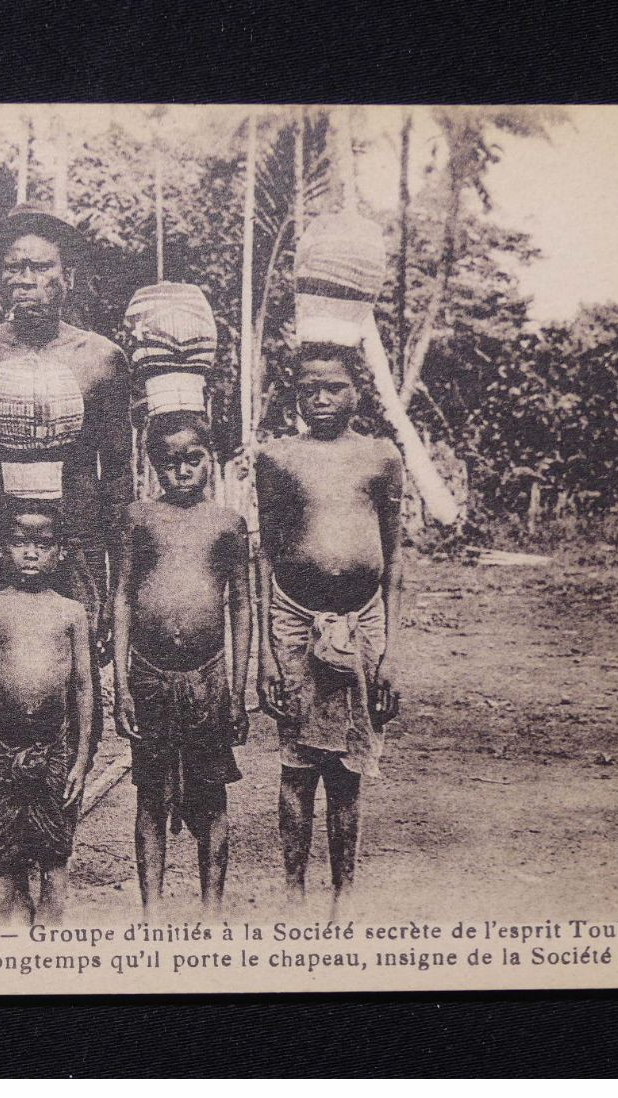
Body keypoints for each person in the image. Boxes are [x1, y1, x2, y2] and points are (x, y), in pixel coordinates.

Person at [0, 204, 133, 753]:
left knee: (73, 705)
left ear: (67, 276)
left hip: (76, 556)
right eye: (15, 267)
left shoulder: (100, 360)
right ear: (0, 277)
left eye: (41, 268)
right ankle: (2, 832)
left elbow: (118, 484)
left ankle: (58, 830)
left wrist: (116, 588)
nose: (27, 281)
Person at [255, 341, 403, 919]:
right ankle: (293, 894)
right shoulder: (278, 459)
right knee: (297, 766)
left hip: (363, 622)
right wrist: (268, 655)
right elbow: (265, 556)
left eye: (334, 387)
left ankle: (344, 897)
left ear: (356, 392)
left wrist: (390, 652)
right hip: (294, 620)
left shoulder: (380, 456)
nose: (321, 398)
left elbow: (394, 561)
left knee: (348, 770)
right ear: (295, 392)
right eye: (310, 387)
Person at [113, 412, 251, 917]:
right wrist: (122, 685)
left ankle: (211, 912)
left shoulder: (227, 523)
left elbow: (240, 604)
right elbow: (123, 596)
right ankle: (152, 913)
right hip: (148, 675)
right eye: (170, 463)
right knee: (150, 795)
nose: (183, 471)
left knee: (209, 796)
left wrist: (237, 691)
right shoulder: (139, 518)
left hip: (207, 677)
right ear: (154, 466)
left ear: (211, 460)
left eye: (193, 459)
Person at [0, 499, 94, 927]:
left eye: (42, 543)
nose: (31, 552)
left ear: (60, 553)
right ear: (3, 550)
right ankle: (8, 938)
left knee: (55, 853)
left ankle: (51, 940)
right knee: (4, 856)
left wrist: (80, 758)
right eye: (20, 543)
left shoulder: (71, 612)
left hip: (54, 745)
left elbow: (84, 687)